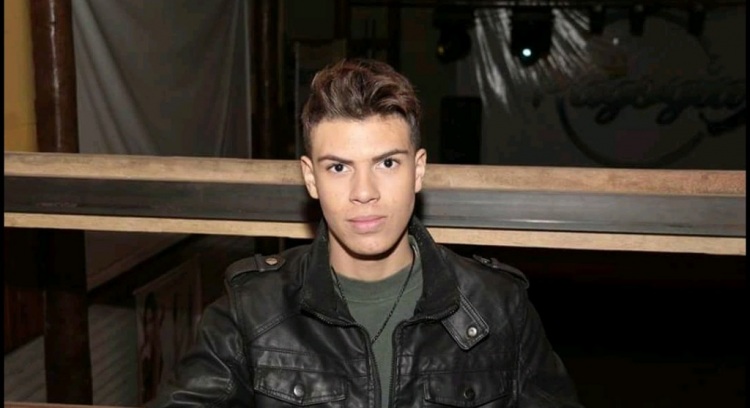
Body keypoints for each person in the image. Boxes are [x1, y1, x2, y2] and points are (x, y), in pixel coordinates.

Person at [148, 58, 583, 407]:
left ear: (418, 170)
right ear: (311, 178)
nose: (364, 192)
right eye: (339, 167)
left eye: (387, 163)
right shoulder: (252, 309)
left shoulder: (498, 306)